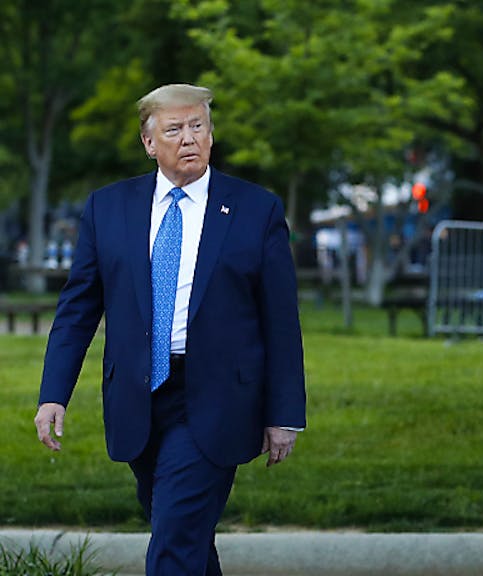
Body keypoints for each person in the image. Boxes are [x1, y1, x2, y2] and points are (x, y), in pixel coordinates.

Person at [33, 84, 307, 575]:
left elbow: (281, 321)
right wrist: (54, 393)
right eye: (174, 129)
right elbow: (77, 310)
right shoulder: (108, 208)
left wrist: (285, 413)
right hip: (137, 398)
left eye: (198, 126)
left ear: (211, 134)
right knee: (183, 536)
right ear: (148, 142)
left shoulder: (255, 209)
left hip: (218, 398)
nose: (189, 138)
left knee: (174, 542)